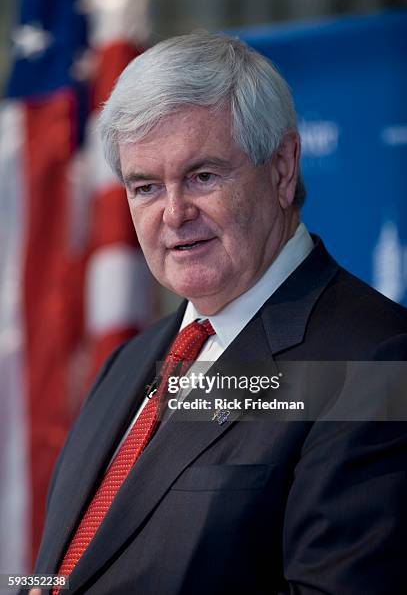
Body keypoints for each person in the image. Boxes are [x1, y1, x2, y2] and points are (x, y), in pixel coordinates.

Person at [32, 32, 407, 594]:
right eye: (146, 187)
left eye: (203, 176)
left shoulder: (375, 359)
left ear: (282, 168)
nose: (174, 213)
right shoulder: (127, 364)